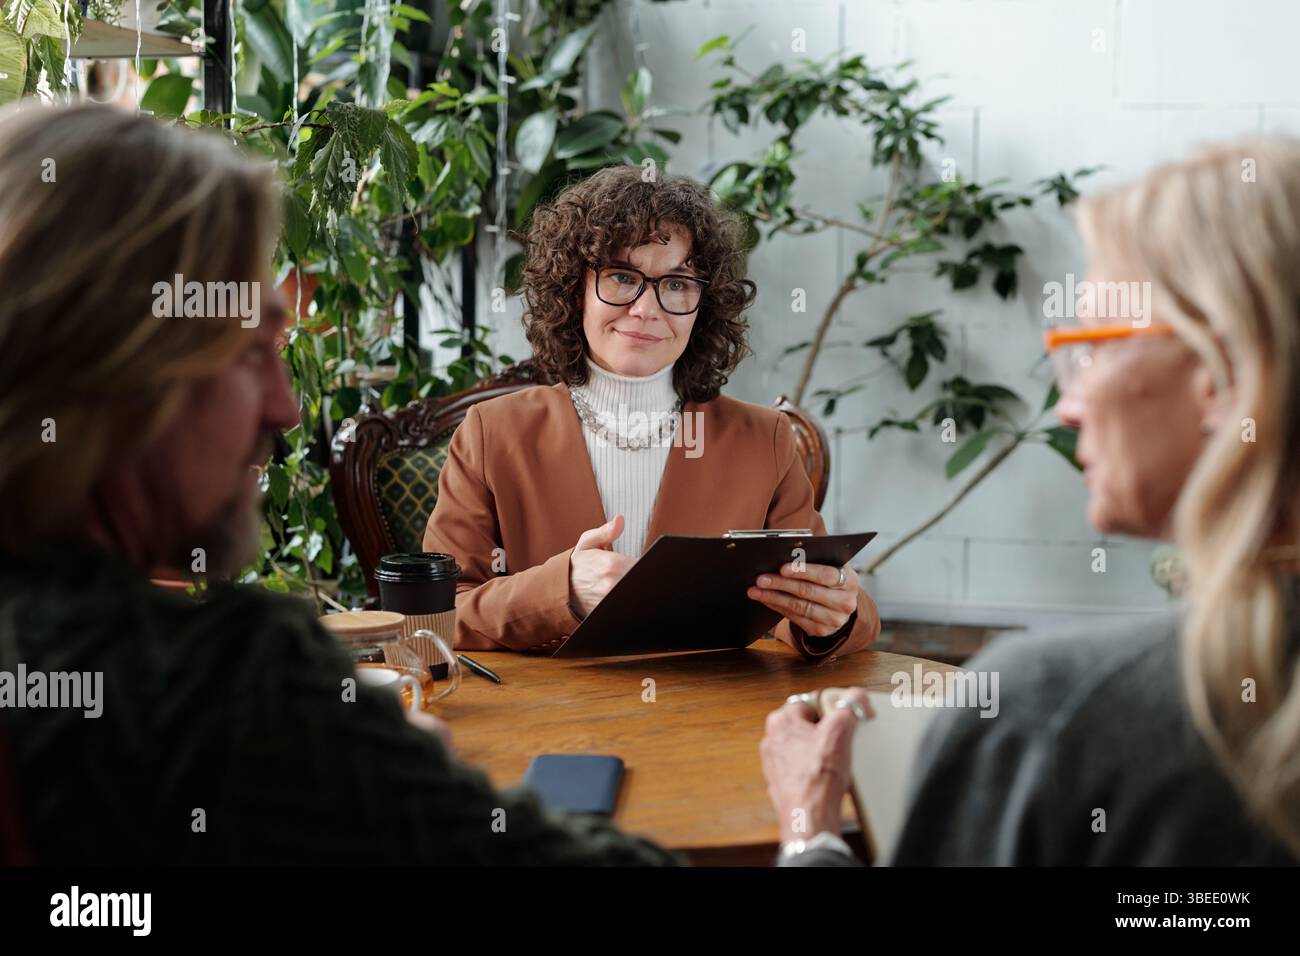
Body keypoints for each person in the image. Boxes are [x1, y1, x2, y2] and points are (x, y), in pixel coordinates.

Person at [0, 102, 678, 865]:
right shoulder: (224, 683)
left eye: (675, 285)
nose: (286, 407)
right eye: (252, 349)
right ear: (118, 373)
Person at [761, 139, 1300, 866]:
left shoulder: (1057, 712)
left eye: (1089, 350)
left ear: (1220, 374)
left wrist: (809, 832)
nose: (1066, 406)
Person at [424, 165, 880, 658]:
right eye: (623, 277)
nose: (646, 308)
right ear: (574, 289)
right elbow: (432, 618)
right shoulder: (493, 433)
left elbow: (821, 605)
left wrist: (830, 618)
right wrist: (562, 590)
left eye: (678, 284)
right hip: (546, 724)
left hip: (709, 721)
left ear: (704, 306)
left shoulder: (764, 438)